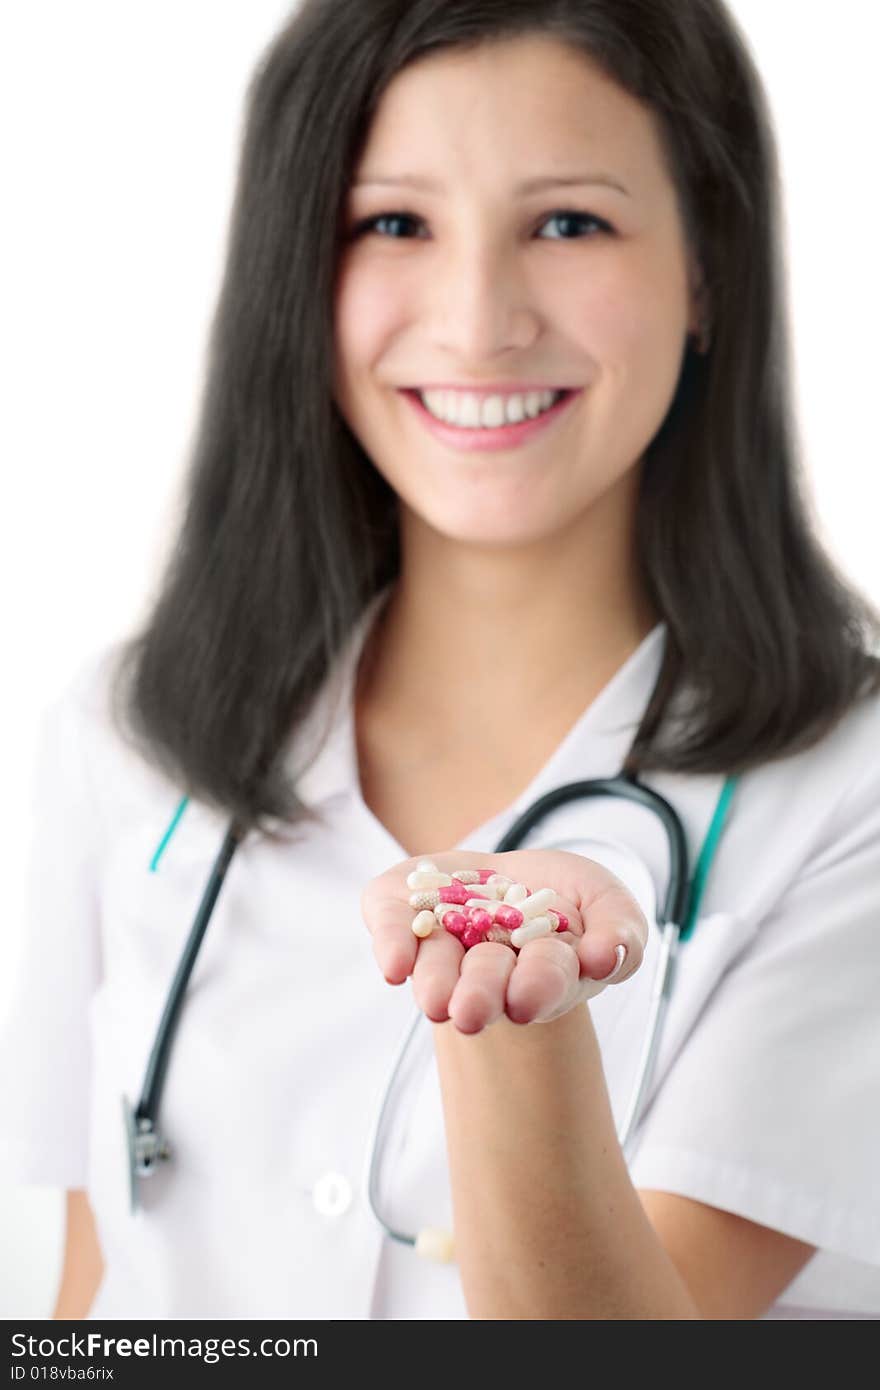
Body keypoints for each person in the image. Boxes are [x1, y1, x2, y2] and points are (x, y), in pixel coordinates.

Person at [1, 0, 879, 1322]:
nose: (477, 324)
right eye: (395, 222)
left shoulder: (850, 791)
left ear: (708, 270)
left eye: (569, 221)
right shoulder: (123, 741)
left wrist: (518, 1021)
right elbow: (88, 1305)